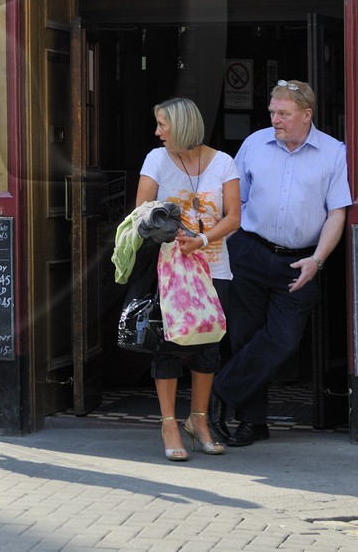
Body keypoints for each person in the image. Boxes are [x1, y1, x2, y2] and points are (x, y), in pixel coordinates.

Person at [213, 79, 352, 448]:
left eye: (283, 113)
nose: (275, 119)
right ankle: (251, 422)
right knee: (244, 337)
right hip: (250, 252)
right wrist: (231, 244)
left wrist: (318, 261)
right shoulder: (254, 144)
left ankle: (221, 390)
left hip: (300, 260)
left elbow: (337, 213)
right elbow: (232, 200)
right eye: (272, 112)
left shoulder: (334, 153)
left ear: (306, 115)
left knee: (284, 340)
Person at [134, 97, 240, 461]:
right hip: (170, 273)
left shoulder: (224, 163)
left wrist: (202, 240)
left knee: (208, 348)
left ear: (181, 126)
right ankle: (168, 423)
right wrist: (168, 232)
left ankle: (199, 420)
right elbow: (141, 215)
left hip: (214, 270)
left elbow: (233, 217)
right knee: (168, 349)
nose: (157, 132)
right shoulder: (156, 159)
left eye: (163, 124)